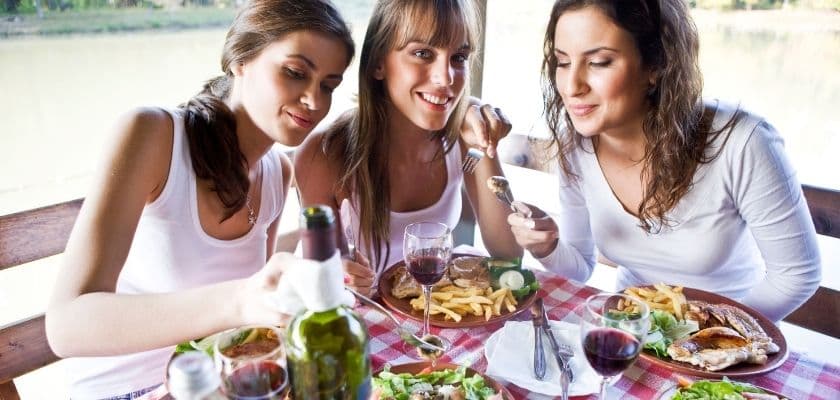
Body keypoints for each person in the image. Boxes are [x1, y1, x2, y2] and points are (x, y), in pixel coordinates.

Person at [43, 0, 355, 398]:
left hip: (220, 382)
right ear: (241, 60)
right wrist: (240, 300)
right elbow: (66, 325)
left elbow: (254, 320)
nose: (314, 101)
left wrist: (317, 277)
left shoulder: (278, 172)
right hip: (125, 390)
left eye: (328, 85)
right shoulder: (153, 136)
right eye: (295, 73)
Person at [508, 0, 821, 322]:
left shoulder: (743, 141)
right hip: (631, 328)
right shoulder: (576, 145)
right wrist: (545, 246)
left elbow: (797, 276)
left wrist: (712, 332)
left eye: (599, 62)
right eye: (562, 62)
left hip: (728, 339)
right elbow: (580, 266)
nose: (571, 87)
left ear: (655, 65)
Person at [294, 0, 523, 293]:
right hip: (367, 320)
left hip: (435, 309)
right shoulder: (324, 154)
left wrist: (484, 146)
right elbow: (324, 278)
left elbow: (509, 255)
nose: (446, 79)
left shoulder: (466, 132)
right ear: (378, 62)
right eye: (423, 53)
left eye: (459, 57)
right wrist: (340, 276)